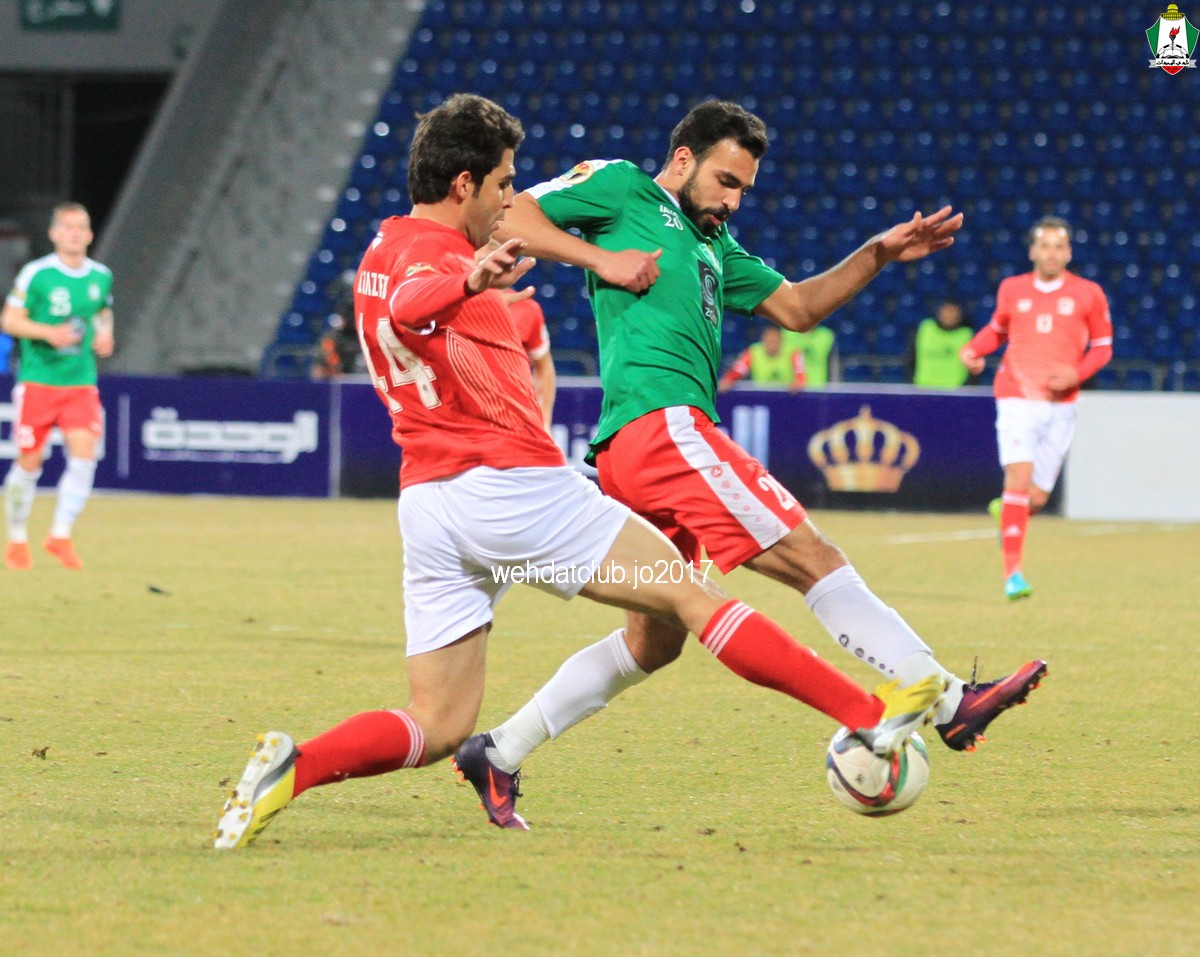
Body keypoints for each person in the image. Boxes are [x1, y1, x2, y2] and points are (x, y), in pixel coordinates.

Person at [212, 94, 945, 848]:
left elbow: (406, 307)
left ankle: (293, 769)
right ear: (464, 184)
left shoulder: (380, 249)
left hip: (430, 505)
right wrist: (468, 283)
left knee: (438, 723)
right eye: (504, 183)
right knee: (694, 597)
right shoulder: (438, 258)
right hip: (508, 486)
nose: (510, 200)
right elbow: (413, 304)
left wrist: (480, 293)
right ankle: (869, 715)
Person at [457, 99, 1047, 828]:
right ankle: (951, 701)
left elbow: (797, 307)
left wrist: (877, 253)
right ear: (683, 160)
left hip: (636, 450)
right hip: (663, 427)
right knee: (812, 556)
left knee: (654, 642)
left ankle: (500, 749)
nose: (734, 200)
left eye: (744, 189)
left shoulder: (715, 247)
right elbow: (509, 216)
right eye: (726, 181)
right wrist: (602, 258)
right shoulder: (620, 186)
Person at [960, 216, 1112, 600]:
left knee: (1038, 497)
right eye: (1045, 245)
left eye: (1059, 246)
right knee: (1018, 477)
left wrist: (1077, 374)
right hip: (1016, 395)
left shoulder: (1089, 293)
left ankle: (1007, 512)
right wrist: (974, 349)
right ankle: (1013, 575)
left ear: (1069, 252)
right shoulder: (1012, 288)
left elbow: (1103, 347)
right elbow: (998, 329)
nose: (1051, 253)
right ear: (1032, 251)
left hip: (1061, 404)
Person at [2, 202, 113, 571]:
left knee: (84, 456)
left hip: (80, 383)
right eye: (67, 227)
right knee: (29, 463)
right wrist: (47, 332)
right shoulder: (37, 274)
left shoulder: (100, 276)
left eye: (81, 227)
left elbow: (102, 311)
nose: (74, 233)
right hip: (39, 383)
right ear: (53, 234)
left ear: (90, 234)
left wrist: (105, 334)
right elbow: (10, 321)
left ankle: (60, 535)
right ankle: (17, 538)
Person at [505, 287, 556, 429]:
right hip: (462, 418)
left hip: (512, 419)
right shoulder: (458, 300)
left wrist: (544, 420)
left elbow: (544, 368)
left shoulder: (527, 309)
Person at [908, 298, 978, 388]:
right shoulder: (926, 329)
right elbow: (911, 359)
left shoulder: (966, 335)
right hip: (923, 388)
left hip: (955, 391)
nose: (949, 316)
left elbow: (974, 367)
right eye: (947, 312)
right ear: (939, 313)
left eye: (953, 312)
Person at [718, 323, 806, 392]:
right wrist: (728, 379)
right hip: (761, 396)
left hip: (786, 397)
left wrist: (798, 382)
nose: (772, 343)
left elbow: (800, 374)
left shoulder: (793, 352)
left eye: (775, 340)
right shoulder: (753, 352)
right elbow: (738, 370)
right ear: (763, 339)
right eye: (769, 339)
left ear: (781, 340)